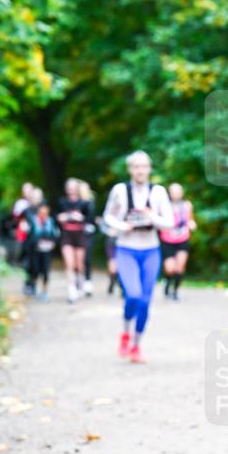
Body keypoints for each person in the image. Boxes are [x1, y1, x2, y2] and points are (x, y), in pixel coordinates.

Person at [102, 150, 174, 363]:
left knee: (145, 301)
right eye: (136, 166)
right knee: (132, 295)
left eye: (144, 166)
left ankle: (136, 345)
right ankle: (125, 331)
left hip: (151, 250)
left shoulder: (158, 192)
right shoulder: (120, 191)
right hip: (126, 249)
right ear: (130, 169)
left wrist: (152, 216)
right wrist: (123, 225)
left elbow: (169, 222)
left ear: (149, 169)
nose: (140, 170)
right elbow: (108, 216)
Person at [56, 178, 93, 303]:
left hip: (80, 235)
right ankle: (71, 290)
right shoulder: (62, 202)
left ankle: (80, 281)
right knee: (69, 263)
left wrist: (80, 217)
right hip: (67, 235)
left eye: (73, 187)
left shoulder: (84, 203)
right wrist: (63, 217)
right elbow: (56, 217)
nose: (71, 190)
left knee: (79, 264)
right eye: (69, 187)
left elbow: (90, 219)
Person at [160, 182, 197, 301]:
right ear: (169, 194)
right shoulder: (165, 206)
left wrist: (192, 224)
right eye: (173, 192)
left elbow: (190, 220)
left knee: (180, 267)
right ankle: (167, 280)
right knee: (170, 268)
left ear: (182, 193)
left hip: (182, 240)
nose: (176, 194)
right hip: (168, 240)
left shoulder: (187, 205)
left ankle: (175, 292)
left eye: (178, 192)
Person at [21, 201, 59, 300]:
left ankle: (44, 292)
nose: (43, 215)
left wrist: (51, 243)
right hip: (34, 250)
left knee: (46, 271)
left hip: (46, 250)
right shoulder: (32, 221)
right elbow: (28, 236)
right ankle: (32, 286)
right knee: (34, 270)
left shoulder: (51, 221)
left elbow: (55, 235)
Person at [79, 180, 96, 297]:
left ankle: (87, 281)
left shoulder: (90, 202)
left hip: (88, 233)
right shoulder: (76, 202)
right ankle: (79, 280)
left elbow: (91, 218)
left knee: (87, 258)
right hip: (76, 233)